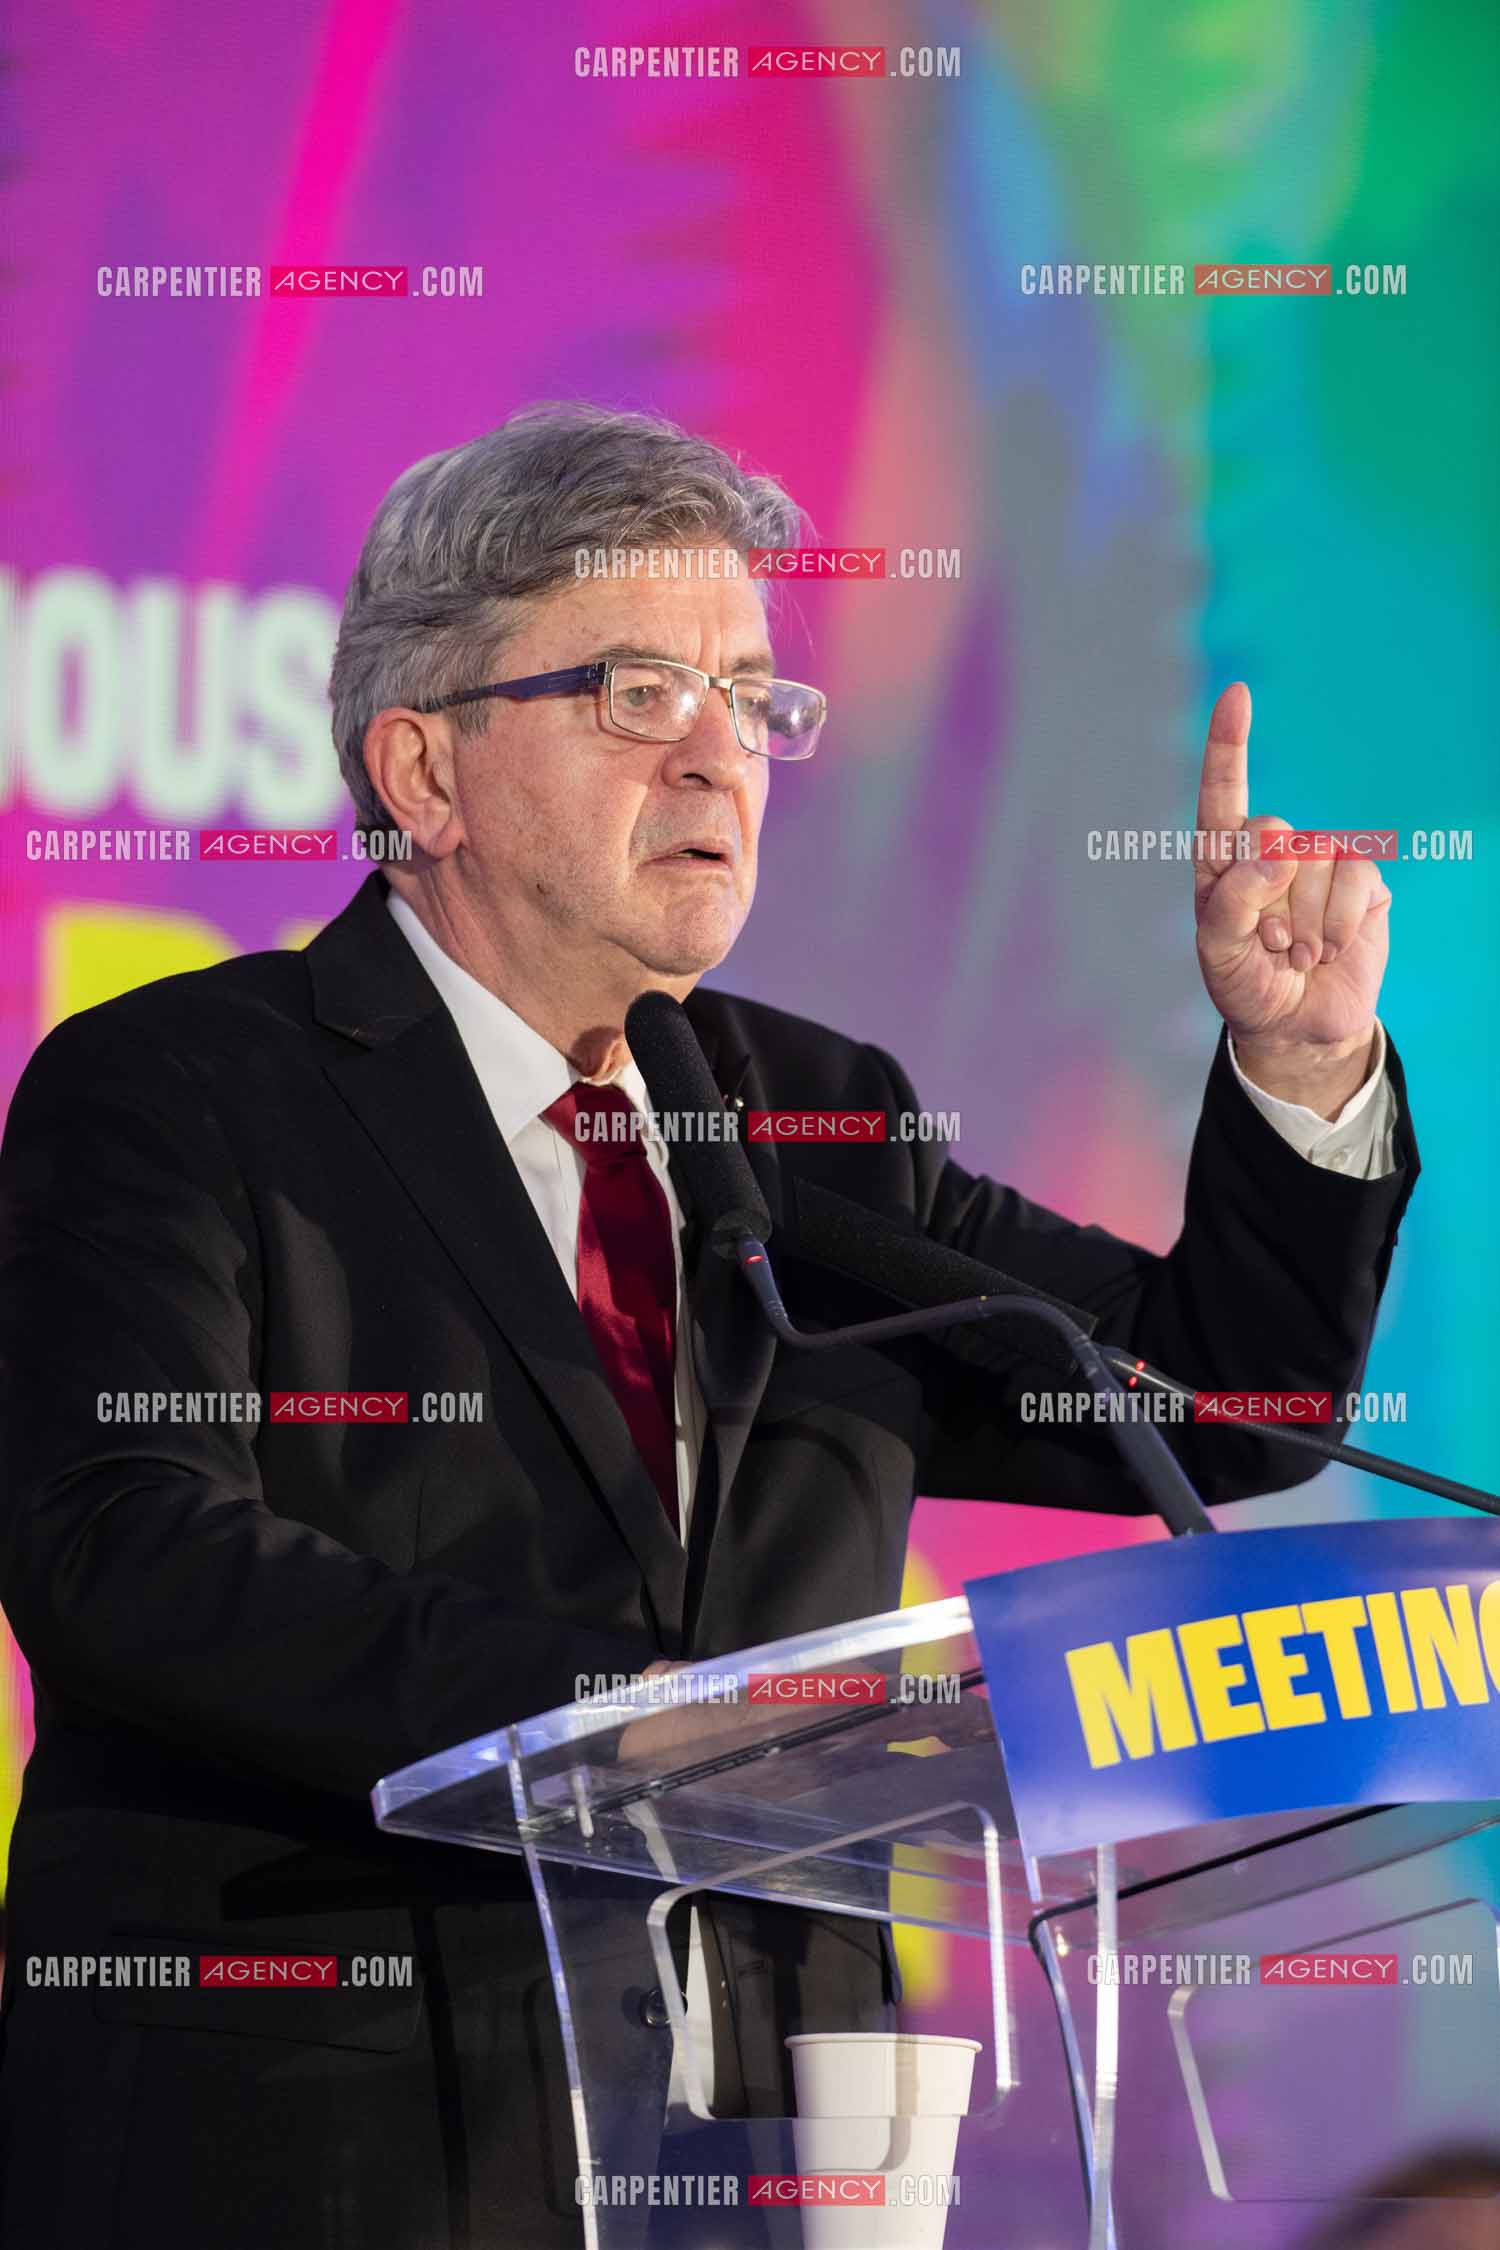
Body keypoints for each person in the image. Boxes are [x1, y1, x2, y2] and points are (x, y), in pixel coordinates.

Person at [0, 403, 1416, 2249]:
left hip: (769, 2174)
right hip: (328, 2162)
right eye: (638, 689)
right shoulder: (184, 1088)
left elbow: (1220, 1407)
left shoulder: (813, 1123)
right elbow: (119, 1550)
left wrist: (1299, 1064)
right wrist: (633, 1732)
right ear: (421, 769)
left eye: (751, 698)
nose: (719, 757)